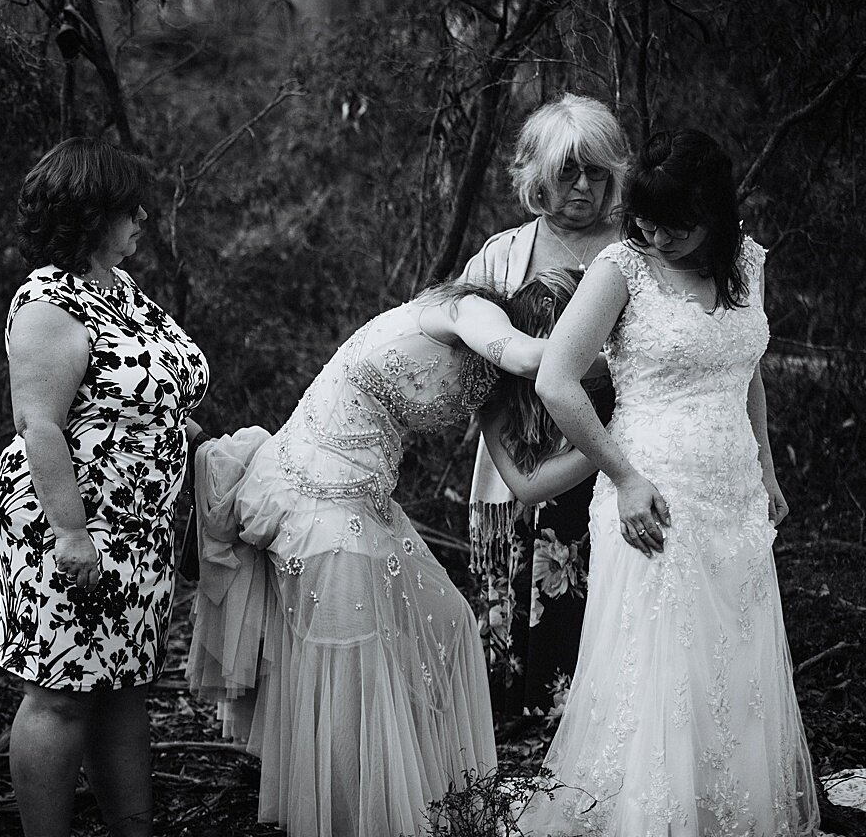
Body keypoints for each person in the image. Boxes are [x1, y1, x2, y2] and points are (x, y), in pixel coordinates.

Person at [190, 274, 594, 837]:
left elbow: (526, 485)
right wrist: (614, 357)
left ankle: (437, 801)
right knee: (352, 654)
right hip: (312, 488)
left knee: (451, 621)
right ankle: (354, 818)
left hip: (366, 498)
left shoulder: (493, 384)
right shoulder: (465, 310)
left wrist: (607, 445)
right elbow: (529, 357)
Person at [522, 129, 821, 836]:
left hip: (735, 494)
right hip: (651, 495)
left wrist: (767, 464)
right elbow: (555, 381)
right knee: (660, 672)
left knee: (733, 666)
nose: (655, 235)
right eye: (645, 219)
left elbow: (745, 372)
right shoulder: (621, 268)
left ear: (715, 214)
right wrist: (623, 478)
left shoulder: (747, 262)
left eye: (674, 224)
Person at [0, 137, 209, 837]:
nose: (142, 215)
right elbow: (40, 425)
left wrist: (213, 446)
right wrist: (74, 534)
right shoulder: (49, 302)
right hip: (68, 523)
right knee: (60, 696)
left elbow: (146, 402)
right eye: (127, 206)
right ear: (89, 213)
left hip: (139, 529)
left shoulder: (119, 289)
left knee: (122, 690)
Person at [462, 93, 631, 718]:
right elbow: (464, 354)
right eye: (566, 171)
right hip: (518, 457)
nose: (582, 186)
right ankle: (516, 722)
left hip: (613, 452)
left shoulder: (639, 250)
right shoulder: (503, 255)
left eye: (595, 172)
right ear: (537, 175)